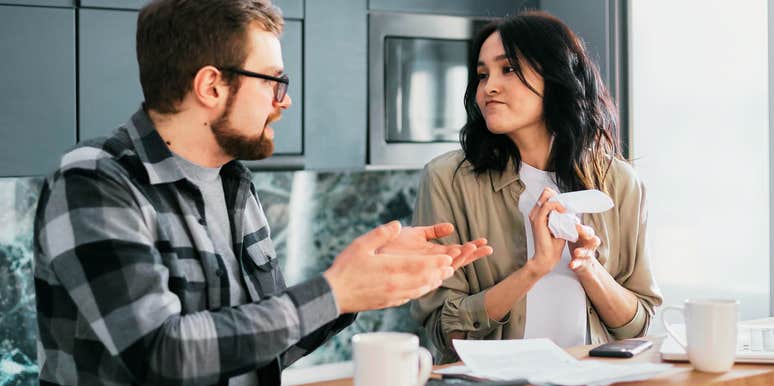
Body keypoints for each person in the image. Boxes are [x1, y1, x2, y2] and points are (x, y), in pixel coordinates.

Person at [32, 1, 492, 384]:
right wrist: (334, 291)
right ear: (212, 85)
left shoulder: (235, 184)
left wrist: (365, 285)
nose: (284, 100)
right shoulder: (95, 182)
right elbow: (160, 353)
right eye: (273, 80)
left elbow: (255, 344)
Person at [410, 11, 662, 363]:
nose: (488, 87)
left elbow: (637, 326)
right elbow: (445, 332)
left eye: (507, 69)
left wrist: (587, 265)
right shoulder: (447, 180)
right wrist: (535, 267)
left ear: (556, 75)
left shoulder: (619, 182)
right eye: (482, 75)